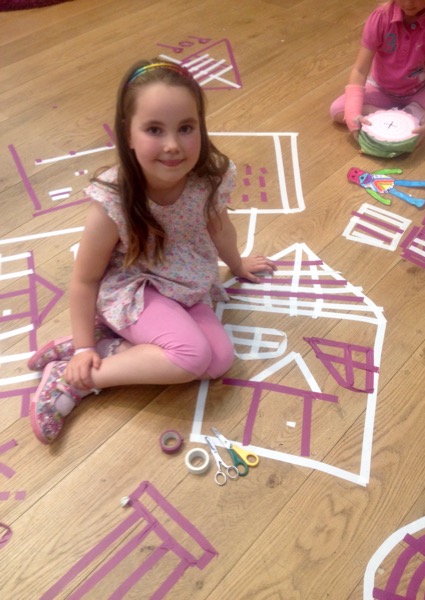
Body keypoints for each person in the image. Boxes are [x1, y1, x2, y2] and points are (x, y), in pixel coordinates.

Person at [28, 59, 276, 445]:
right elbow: (84, 279)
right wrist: (83, 348)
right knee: (191, 356)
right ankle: (73, 377)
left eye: (186, 128)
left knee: (219, 361)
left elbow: (220, 228)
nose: (173, 145)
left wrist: (237, 263)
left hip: (185, 282)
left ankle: (112, 344)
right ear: (127, 133)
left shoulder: (208, 179)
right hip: (133, 286)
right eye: (154, 130)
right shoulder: (114, 198)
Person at [330, 0, 425, 144]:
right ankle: (406, 116)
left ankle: (409, 115)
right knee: (338, 110)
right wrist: (353, 114)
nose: (408, 3)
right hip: (381, 89)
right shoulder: (381, 17)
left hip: (422, 89)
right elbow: (360, 70)